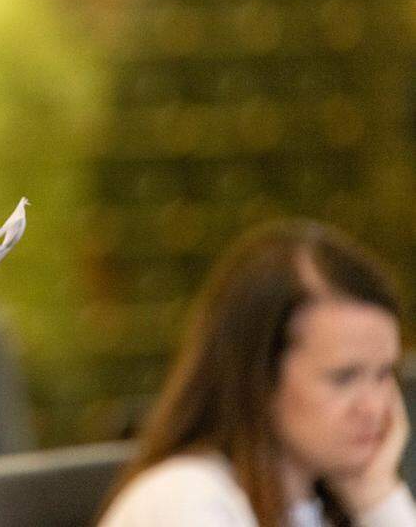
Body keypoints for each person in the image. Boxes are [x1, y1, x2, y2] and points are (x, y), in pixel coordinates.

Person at [98, 219, 416, 526]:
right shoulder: (183, 498)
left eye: (384, 374)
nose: (374, 407)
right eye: (343, 378)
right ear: (259, 375)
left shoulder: (322, 505)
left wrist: (376, 497)